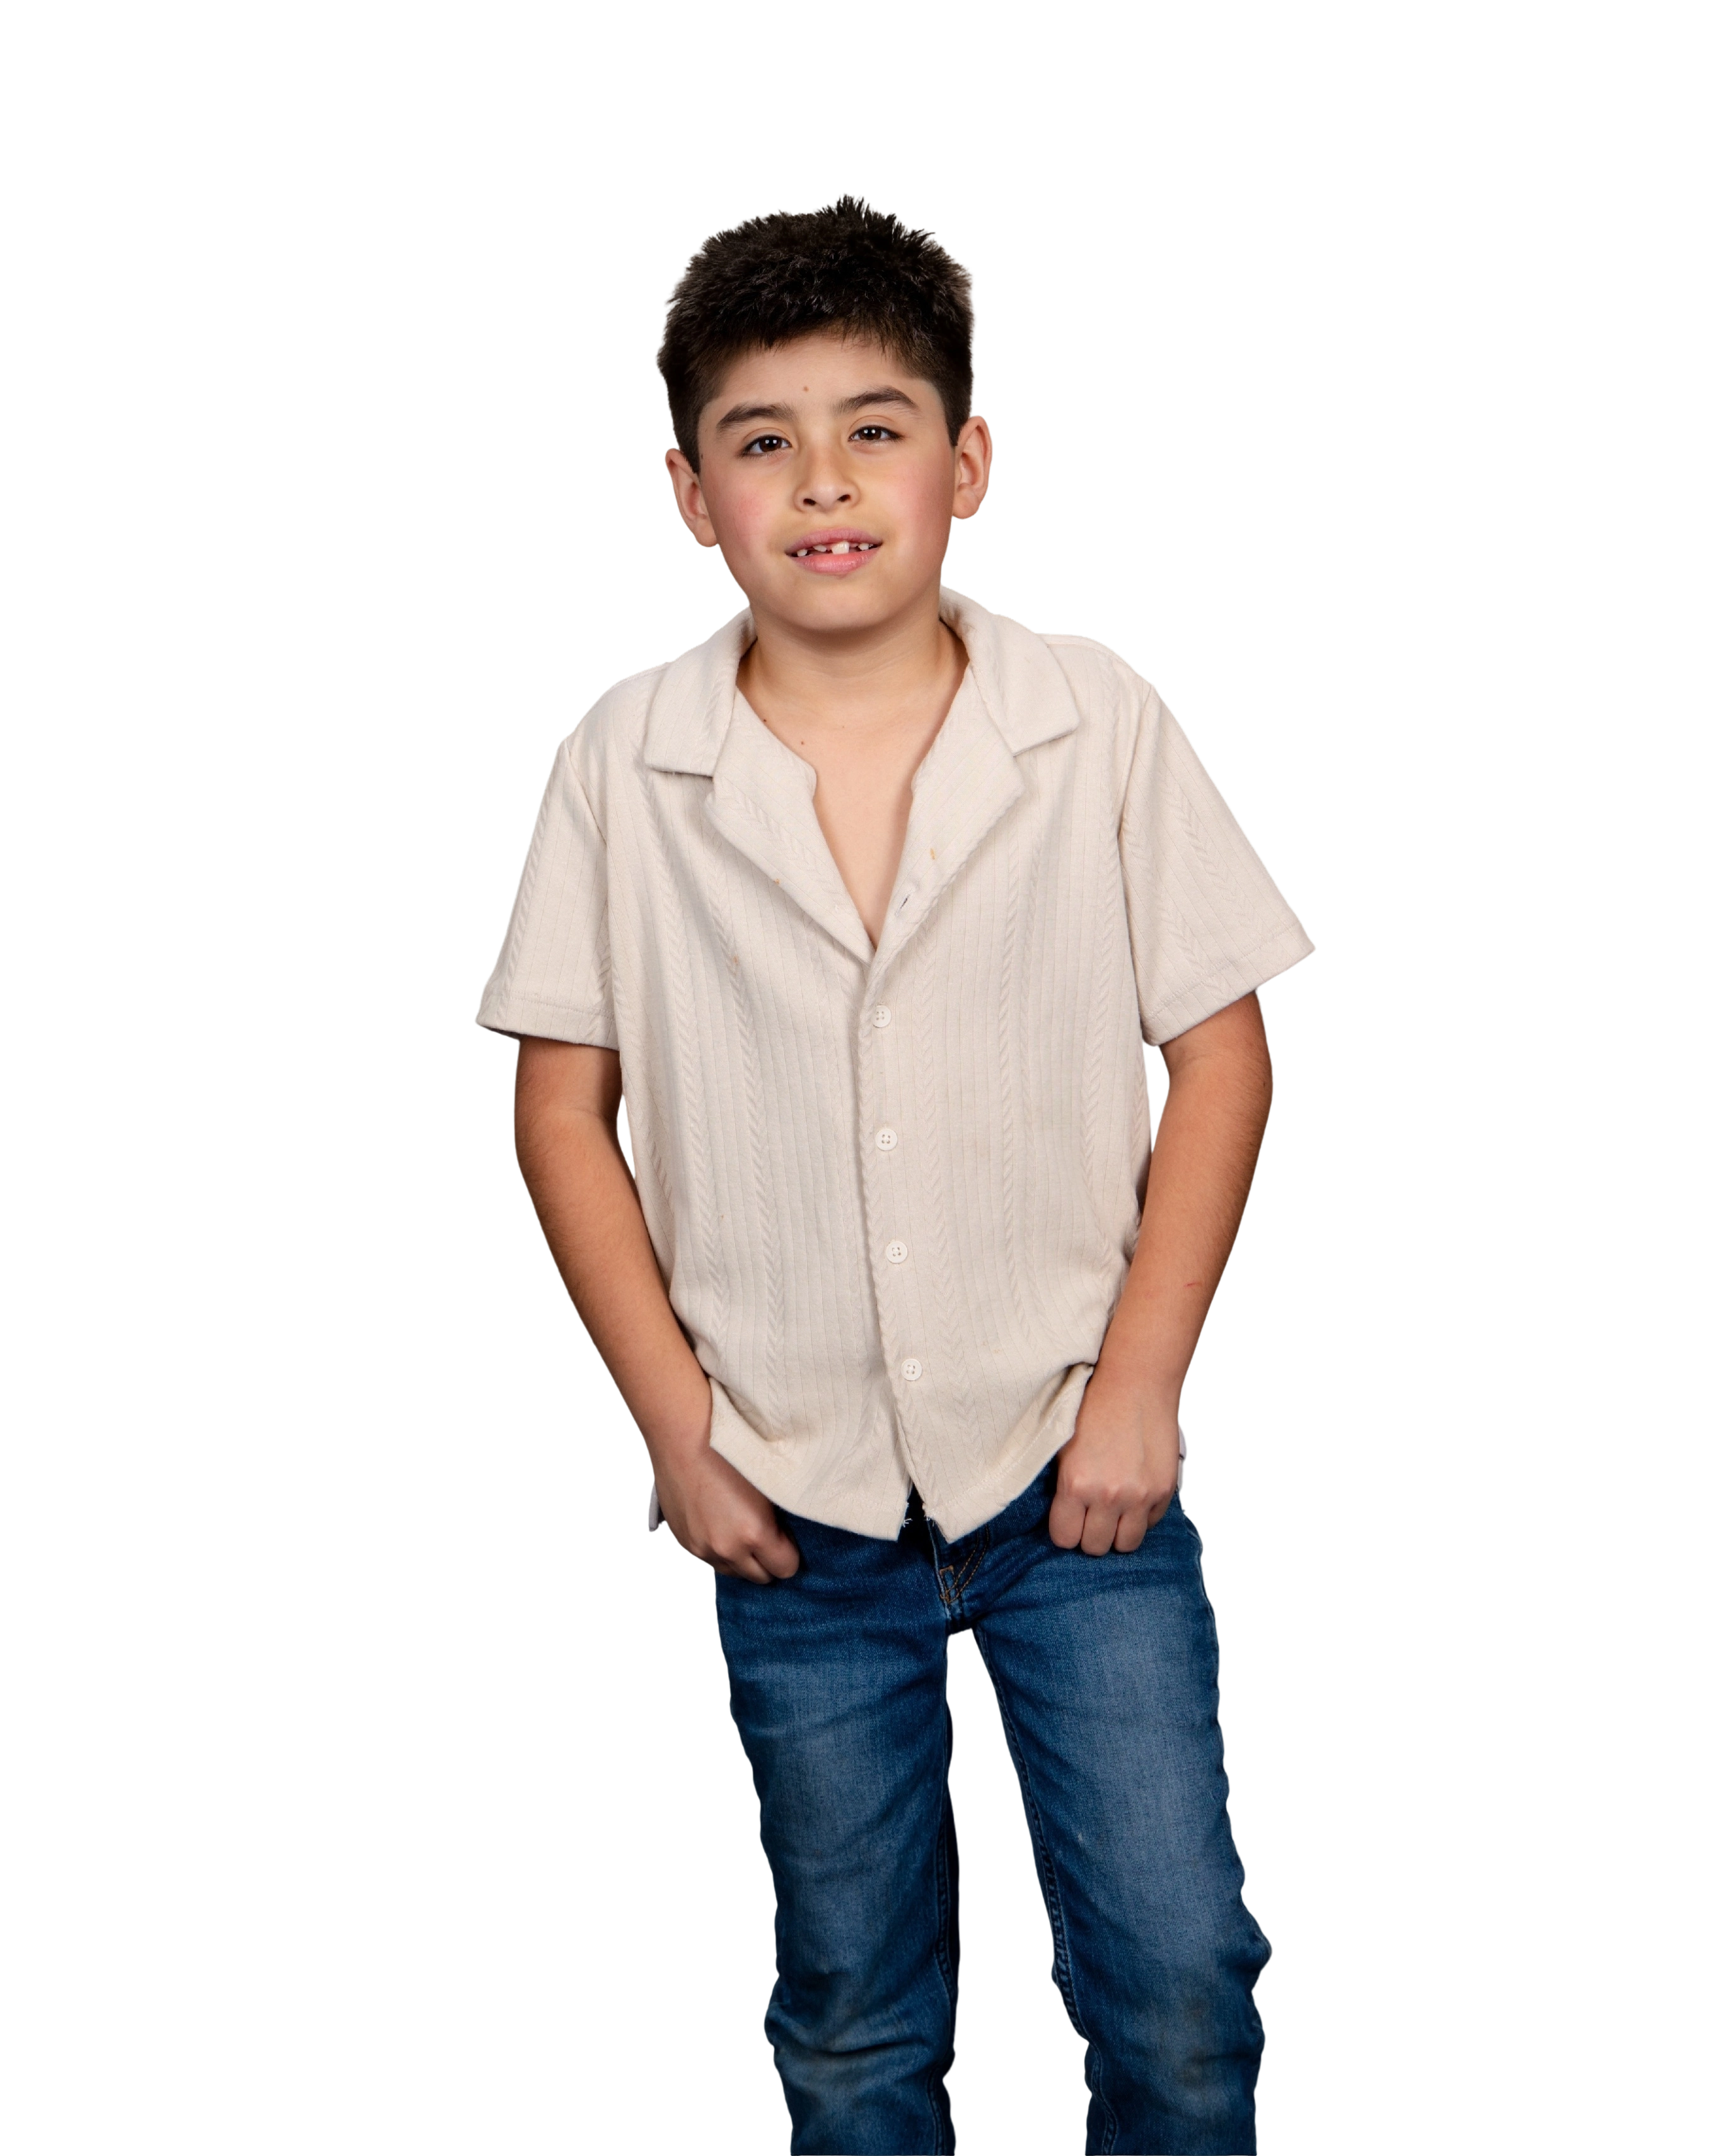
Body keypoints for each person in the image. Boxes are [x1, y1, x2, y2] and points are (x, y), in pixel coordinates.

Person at [474, 190, 1316, 2156]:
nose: (825, 482)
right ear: (690, 493)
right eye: (762, 439)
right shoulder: (624, 761)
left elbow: (1222, 1053)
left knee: (1179, 1974)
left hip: (1072, 1471)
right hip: (792, 1491)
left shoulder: (1094, 723)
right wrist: (678, 1430)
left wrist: (1141, 1387)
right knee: (854, 2016)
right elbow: (558, 1108)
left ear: (971, 463)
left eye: (876, 427)